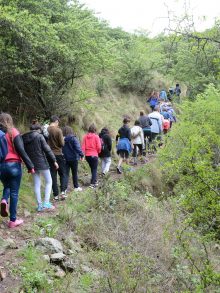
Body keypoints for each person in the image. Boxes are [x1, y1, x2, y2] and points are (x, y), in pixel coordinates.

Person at [0, 113, 34, 228]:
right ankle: (12, 220)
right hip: (14, 165)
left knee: (7, 186)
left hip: (1, 166)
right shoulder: (13, 132)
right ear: (9, 121)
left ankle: (4, 200)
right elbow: (21, 149)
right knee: (14, 192)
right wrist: (30, 166)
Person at [23, 123, 58, 211]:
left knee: (36, 184)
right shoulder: (39, 136)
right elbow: (47, 149)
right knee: (49, 181)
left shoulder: (24, 138)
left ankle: (39, 205)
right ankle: (46, 203)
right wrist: (54, 160)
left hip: (31, 164)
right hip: (41, 163)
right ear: (38, 130)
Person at [47, 115, 67, 200]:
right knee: (62, 173)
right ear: (55, 121)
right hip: (58, 154)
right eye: (58, 122)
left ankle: (55, 195)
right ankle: (63, 192)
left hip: (49, 154)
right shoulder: (58, 130)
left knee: (53, 174)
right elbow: (62, 144)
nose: (58, 124)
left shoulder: (46, 129)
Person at [62, 126, 84, 192]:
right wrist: (82, 155)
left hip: (65, 158)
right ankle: (76, 187)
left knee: (66, 174)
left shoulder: (62, 139)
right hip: (74, 158)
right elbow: (78, 148)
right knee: (74, 173)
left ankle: (64, 189)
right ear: (71, 131)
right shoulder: (73, 138)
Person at [82, 124, 101, 188]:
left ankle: (94, 181)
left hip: (87, 156)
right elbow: (99, 146)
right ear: (95, 130)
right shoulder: (96, 137)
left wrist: (83, 155)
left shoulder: (85, 137)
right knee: (94, 169)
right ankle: (93, 184)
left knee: (92, 168)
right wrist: (98, 152)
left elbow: (83, 147)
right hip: (94, 154)